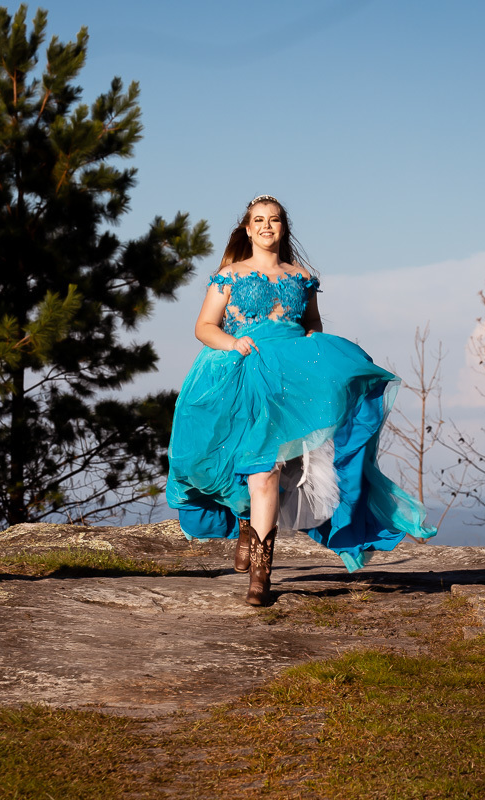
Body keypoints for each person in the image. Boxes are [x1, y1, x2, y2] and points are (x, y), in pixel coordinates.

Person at [166, 194, 435, 605]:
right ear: (247, 228)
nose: (266, 227)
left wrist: (319, 362)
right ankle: (246, 526)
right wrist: (232, 344)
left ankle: (261, 576)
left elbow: (312, 325)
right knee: (251, 468)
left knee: (273, 471)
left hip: (290, 380)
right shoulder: (230, 275)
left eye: (274, 220)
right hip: (244, 373)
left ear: (283, 227)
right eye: (258, 220)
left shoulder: (301, 276)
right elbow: (204, 326)